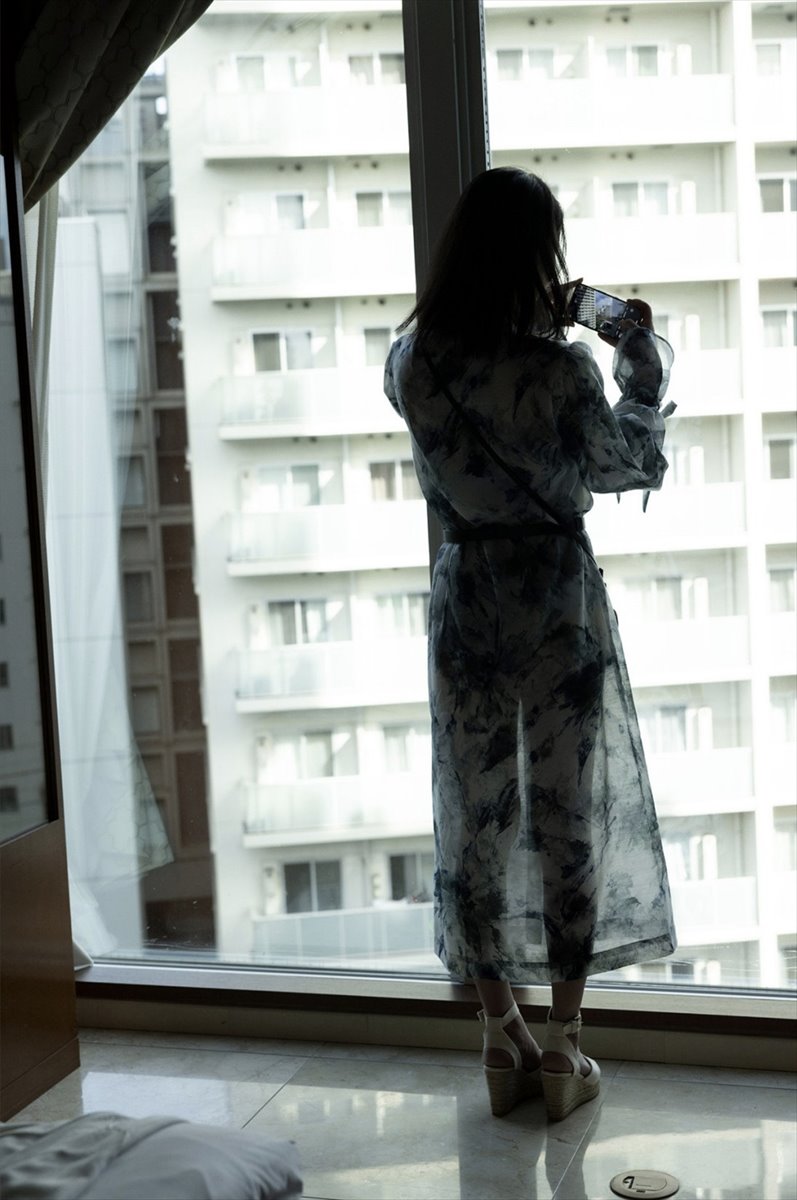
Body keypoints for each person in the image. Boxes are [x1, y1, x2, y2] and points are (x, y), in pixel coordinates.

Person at [383, 167, 677, 1123]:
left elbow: (455, 413)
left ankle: (497, 1032)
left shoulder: (410, 361)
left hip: (467, 593)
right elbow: (625, 463)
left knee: (473, 812)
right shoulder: (562, 371)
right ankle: (562, 1044)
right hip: (554, 596)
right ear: (539, 258)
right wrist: (637, 360)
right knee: (563, 813)